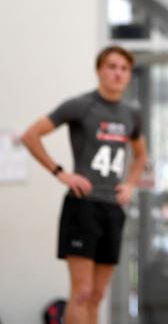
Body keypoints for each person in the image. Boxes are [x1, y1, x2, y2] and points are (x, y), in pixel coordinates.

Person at [21, 46, 146, 324]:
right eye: (112, 67)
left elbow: (140, 155)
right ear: (99, 70)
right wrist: (61, 173)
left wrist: (130, 185)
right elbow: (31, 135)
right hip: (83, 207)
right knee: (81, 292)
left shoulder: (131, 114)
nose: (118, 73)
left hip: (112, 209)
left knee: (97, 294)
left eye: (124, 68)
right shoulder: (81, 106)